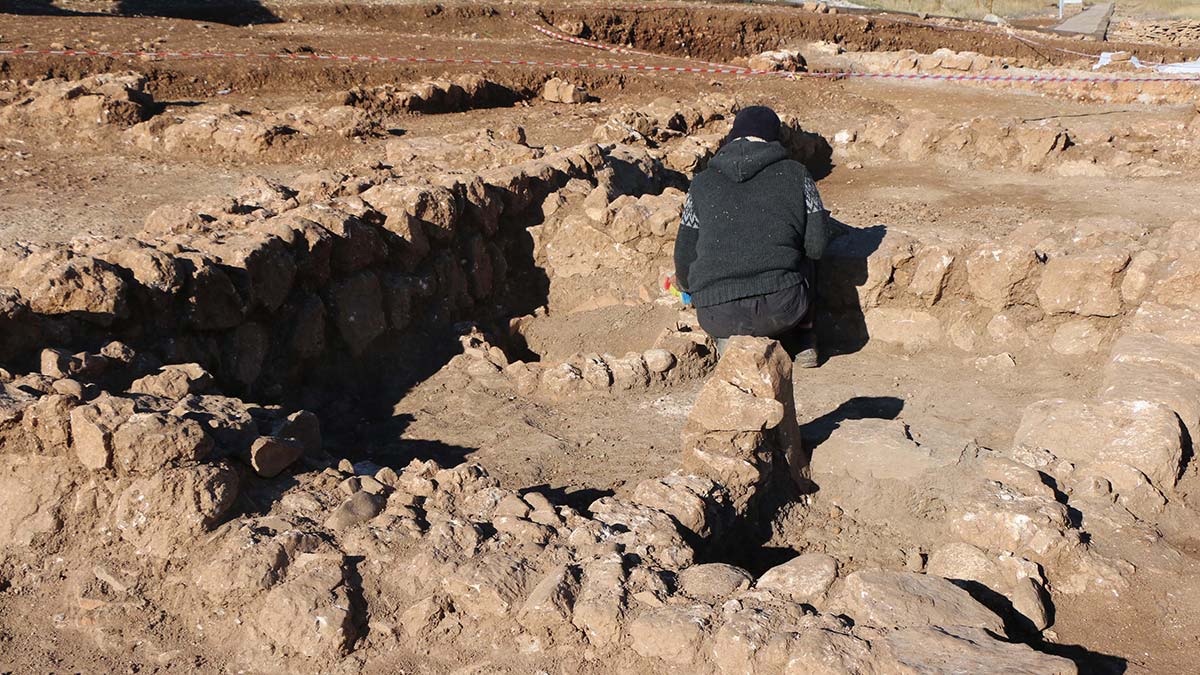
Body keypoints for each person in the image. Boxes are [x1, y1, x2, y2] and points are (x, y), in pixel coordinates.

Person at [672, 105, 831, 367]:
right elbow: (816, 246)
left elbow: (684, 257)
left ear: (733, 137)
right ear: (773, 138)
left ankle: (730, 342)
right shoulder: (797, 174)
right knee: (808, 256)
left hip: (716, 313)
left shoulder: (701, 182)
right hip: (783, 307)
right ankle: (803, 340)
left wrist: (691, 290)